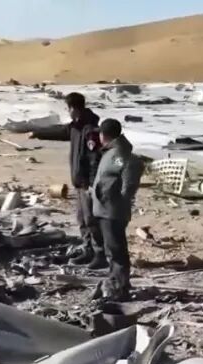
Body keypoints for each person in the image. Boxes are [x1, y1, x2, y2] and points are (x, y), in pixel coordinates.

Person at [91, 118, 143, 300]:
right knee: (112, 249)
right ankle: (117, 282)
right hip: (106, 208)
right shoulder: (112, 152)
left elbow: (129, 180)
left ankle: (120, 287)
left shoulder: (119, 155)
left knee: (116, 250)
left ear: (104, 135)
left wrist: (116, 200)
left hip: (112, 210)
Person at [64, 92, 106, 268]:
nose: (67, 112)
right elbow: (60, 131)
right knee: (82, 220)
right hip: (79, 183)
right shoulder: (75, 128)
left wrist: (91, 184)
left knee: (91, 220)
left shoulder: (90, 130)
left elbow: (94, 159)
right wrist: (37, 132)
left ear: (73, 108)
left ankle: (100, 255)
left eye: (68, 108)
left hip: (87, 184)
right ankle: (88, 249)